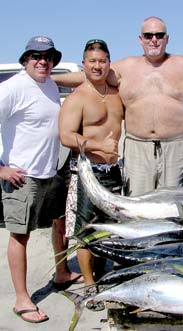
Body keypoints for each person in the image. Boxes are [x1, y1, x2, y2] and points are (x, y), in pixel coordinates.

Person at [54, 16, 183, 196]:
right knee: (137, 205)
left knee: (172, 204)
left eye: (159, 35)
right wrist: (49, 79)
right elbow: (90, 75)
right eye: (148, 35)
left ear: (167, 38)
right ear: (140, 39)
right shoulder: (126, 67)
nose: (154, 39)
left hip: (175, 146)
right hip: (138, 146)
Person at [0, 36, 79, 323]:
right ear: (25, 60)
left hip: (51, 172)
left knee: (61, 224)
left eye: (48, 57)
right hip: (23, 176)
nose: (42, 61)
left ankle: (61, 273)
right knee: (20, 235)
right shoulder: (12, 88)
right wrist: (1, 169)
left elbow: (87, 75)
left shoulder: (49, 84)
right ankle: (22, 300)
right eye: (36, 56)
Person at [59, 39, 124, 309]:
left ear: (109, 63)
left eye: (102, 61)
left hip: (115, 173)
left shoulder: (116, 92)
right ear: (84, 64)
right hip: (88, 173)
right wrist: (98, 145)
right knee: (85, 232)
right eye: (92, 61)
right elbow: (65, 136)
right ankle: (89, 284)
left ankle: (107, 274)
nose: (97, 66)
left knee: (113, 229)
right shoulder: (78, 98)